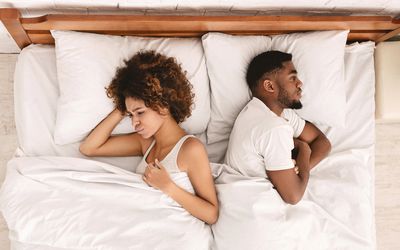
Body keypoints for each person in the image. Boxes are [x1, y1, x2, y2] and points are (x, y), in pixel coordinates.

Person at [79, 50, 219, 224]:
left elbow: (211, 214)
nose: (134, 123)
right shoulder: (145, 143)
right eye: (131, 115)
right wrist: (123, 107)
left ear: (163, 105)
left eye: (140, 113)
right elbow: (89, 148)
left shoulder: (190, 149)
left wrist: (168, 186)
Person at [225, 50, 331, 205]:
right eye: (292, 78)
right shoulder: (273, 127)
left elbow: (322, 142)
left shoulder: (267, 112)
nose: (300, 83)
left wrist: (299, 169)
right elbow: (294, 196)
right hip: (251, 207)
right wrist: (304, 151)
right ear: (269, 86)